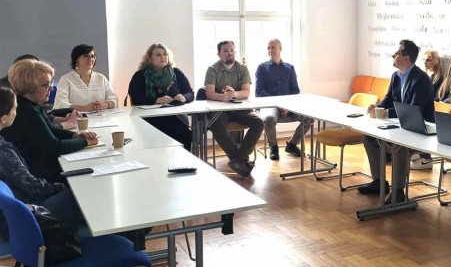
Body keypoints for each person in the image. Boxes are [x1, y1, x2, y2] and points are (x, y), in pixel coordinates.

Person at [357, 40, 435, 203]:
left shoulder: (421, 79)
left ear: (406, 58)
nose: (393, 56)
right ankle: (379, 182)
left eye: (396, 53)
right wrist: (377, 107)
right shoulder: (396, 76)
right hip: (400, 125)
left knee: (399, 146)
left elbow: (413, 110)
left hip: (420, 129)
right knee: (369, 138)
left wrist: (386, 113)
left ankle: (398, 192)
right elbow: (388, 99)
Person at [0, 86, 85, 234]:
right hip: (27, 212)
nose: (17, 113)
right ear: (3, 118)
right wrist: (57, 187)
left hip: (13, 210)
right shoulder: (4, 151)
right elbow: (31, 186)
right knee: (82, 194)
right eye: (14, 109)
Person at [0, 60, 97, 184]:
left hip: (43, 165)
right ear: (30, 88)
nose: (51, 88)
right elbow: (55, 146)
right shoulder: (26, 111)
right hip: (40, 174)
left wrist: (75, 135)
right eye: (45, 85)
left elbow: (52, 129)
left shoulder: (32, 105)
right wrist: (86, 142)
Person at [204, 41, 264, 177]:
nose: (229, 53)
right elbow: (209, 93)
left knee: (258, 122)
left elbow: (246, 92)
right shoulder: (212, 69)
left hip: (240, 108)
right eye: (225, 51)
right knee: (215, 124)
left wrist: (234, 94)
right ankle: (239, 160)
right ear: (219, 54)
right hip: (221, 109)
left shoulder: (242, 68)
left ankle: (239, 159)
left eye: (232, 50)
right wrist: (223, 97)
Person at [128, 43, 193, 150]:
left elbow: (190, 93)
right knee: (160, 134)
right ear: (150, 58)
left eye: (165, 54)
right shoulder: (140, 76)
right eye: (158, 55)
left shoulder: (176, 73)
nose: (163, 57)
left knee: (185, 134)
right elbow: (136, 98)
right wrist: (156, 100)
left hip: (175, 116)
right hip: (151, 118)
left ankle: (183, 159)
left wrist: (184, 97)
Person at [255, 39, 313, 160]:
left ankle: (292, 144)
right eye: (268, 48)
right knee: (269, 118)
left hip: (289, 105)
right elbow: (259, 91)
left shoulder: (289, 68)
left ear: (280, 49)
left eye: (273, 47)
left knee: (309, 118)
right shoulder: (262, 68)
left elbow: (295, 91)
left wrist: (287, 106)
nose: (270, 50)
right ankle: (273, 147)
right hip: (270, 105)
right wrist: (278, 105)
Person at [1, 54, 79, 130]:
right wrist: (69, 124)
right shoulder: (8, 93)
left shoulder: (27, 98)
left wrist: (63, 120)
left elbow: (42, 117)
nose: (51, 88)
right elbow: (45, 129)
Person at [54, 44, 118, 112]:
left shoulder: (101, 78)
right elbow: (60, 104)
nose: (90, 59)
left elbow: (114, 99)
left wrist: (106, 105)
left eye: (92, 56)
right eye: (86, 56)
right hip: (78, 118)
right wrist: (84, 108)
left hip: (102, 117)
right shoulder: (66, 80)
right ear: (76, 59)